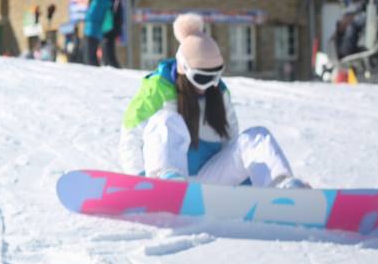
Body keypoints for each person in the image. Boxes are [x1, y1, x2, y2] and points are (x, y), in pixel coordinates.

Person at [118, 13, 307, 188]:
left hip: (210, 182)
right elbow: (131, 137)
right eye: (202, 78)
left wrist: (245, 182)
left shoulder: (219, 93)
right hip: (169, 182)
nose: (209, 85)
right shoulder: (158, 89)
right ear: (184, 69)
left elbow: (232, 147)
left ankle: (281, 187)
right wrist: (138, 178)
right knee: (166, 121)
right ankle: (170, 185)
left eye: (215, 76)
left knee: (256, 137)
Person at [83, 0, 116, 66]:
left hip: (92, 31)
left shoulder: (100, 0)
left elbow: (92, 16)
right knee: (91, 56)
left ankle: (95, 75)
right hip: (95, 31)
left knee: (90, 56)